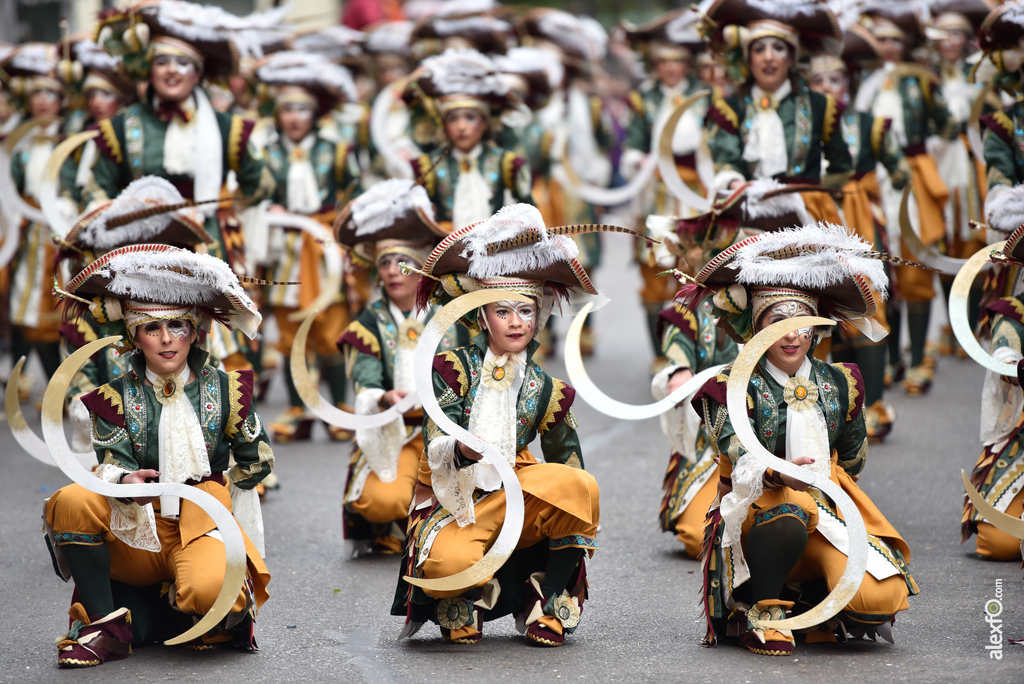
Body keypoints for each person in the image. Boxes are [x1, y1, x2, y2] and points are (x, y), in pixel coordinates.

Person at [393, 204, 618, 646]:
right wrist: (462, 450)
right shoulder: (450, 368)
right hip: (458, 496)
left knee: (581, 488)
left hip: (518, 490)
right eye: (502, 311)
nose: (516, 322)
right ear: (481, 317)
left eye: (525, 311)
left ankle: (547, 601)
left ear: (540, 317)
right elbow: (435, 443)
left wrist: (572, 501)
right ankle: (466, 600)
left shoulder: (547, 388)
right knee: (446, 565)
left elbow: (569, 465)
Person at [689, 222, 919, 655]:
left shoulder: (842, 381)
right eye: (778, 322)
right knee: (790, 510)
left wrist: (827, 483)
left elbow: (852, 459)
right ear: (757, 326)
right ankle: (763, 606)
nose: (792, 334)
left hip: (827, 506)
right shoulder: (731, 386)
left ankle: (811, 596)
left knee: (877, 600)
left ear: (816, 328)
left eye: (802, 323)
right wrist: (782, 475)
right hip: (761, 509)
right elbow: (738, 456)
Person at [45, 244, 274, 666]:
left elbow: (259, 460)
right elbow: (110, 464)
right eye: (152, 328)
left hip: (203, 523)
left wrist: (223, 496)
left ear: (195, 330)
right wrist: (123, 481)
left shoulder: (229, 389)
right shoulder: (111, 398)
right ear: (134, 336)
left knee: (209, 593)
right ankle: (104, 626)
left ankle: (173, 609)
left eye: (177, 326)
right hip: (139, 528)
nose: (167, 340)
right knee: (70, 501)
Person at [333, 179, 462, 555]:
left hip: (447, 432)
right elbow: (365, 379)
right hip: (397, 432)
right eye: (385, 263)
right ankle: (400, 518)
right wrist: (383, 395)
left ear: (421, 269)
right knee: (380, 501)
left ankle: (431, 518)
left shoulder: (452, 317)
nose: (392, 271)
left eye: (402, 263)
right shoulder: (369, 322)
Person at [254, 50, 362, 443]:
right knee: (289, 334)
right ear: (277, 113)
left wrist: (346, 242)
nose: (295, 116)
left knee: (332, 330)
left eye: (303, 108)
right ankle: (300, 407)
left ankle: (336, 407)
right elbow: (251, 197)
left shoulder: (336, 151)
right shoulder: (265, 152)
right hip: (284, 252)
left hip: (325, 250)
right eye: (287, 109)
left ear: (315, 113)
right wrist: (268, 210)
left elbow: (355, 199)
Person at [806, 25, 906, 442]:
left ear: (849, 83)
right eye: (818, 80)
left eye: (836, 78)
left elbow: (899, 168)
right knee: (823, 307)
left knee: (867, 302)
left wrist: (901, 173)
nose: (828, 86)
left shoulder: (871, 124)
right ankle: (833, 407)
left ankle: (876, 404)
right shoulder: (799, 124)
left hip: (860, 217)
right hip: (813, 215)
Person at [855, 6, 959, 395]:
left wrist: (923, 152)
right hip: (871, 180)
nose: (888, 47)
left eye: (895, 39)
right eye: (881, 39)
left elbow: (949, 126)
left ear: (908, 43)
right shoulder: (861, 81)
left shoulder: (922, 81)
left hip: (911, 177)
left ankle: (918, 360)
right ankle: (890, 357)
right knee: (880, 265)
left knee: (915, 265)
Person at [702, 0, 851, 225]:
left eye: (778, 48)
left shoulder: (822, 106)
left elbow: (841, 167)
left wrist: (819, 197)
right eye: (759, 49)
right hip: (751, 214)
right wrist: (735, 184)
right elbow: (726, 162)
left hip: (810, 218)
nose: (768, 57)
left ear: (791, 58)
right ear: (748, 59)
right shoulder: (729, 110)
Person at [621, 9, 712, 364]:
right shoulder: (644, 99)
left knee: (696, 270)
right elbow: (634, 143)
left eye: (677, 61)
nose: (671, 69)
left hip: (696, 195)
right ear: (654, 64)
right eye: (663, 62)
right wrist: (639, 160)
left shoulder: (707, 97)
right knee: (654, 274)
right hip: (657, 195)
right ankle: (661, 354)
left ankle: (694, 351)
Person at [404, 47, 533, 232]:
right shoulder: (426, 166)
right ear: (444, 124)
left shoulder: (508, 164)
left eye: (470, 117)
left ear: (485, 123)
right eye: (453, 118)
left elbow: (530, 220)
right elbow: (416, 226)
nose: (461, 126)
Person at [962, 224, 1024, 561]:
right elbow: (1005, 358)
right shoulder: (1014, 312)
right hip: (1023, 439)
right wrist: (1018, 370)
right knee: (997, 541)